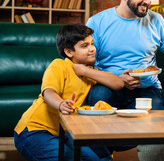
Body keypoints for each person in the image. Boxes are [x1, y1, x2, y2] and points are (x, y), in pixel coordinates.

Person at [14, 24, 125, 161]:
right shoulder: (59, 65)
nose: (92, 49)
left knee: (101, 159)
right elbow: (48, 92)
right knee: (69, 158)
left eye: (92, 43)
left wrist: (84, 70)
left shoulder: (90, 73)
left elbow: (118, 83)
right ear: (69, 52)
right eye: (84, 46)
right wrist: (61, 104)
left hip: (64, 134)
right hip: (34, 132)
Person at [86, 0, 164, 111]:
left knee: (154, 111)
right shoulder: (97, 22)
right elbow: (86, 65)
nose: (148, 1)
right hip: (108, 86)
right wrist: (118, 79)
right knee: (98, 96)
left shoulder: (156, 20)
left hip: (146, 88)